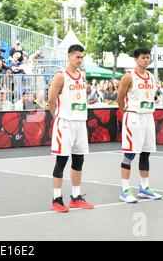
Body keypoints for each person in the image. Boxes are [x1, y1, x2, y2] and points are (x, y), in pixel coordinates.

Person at [48, 44, 94, 213]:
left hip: (80, 122)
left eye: (82, 57)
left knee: (78, 160)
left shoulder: (82, 74)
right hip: (65, 123)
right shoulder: (60, 76)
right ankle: (56, 199)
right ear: (69, 56)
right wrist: (58, 117)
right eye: (77, 57)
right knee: (61, 161)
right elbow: (51, 100)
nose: (80, 60)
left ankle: (75, 197)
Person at [117, 47, 162, 203]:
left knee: (146, 153)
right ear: (136, 59)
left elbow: (155, 95)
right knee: (130, 154)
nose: (146, 60)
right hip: (134, 117)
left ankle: (144, 188)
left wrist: (157, 96)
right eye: (143, 57)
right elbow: (120, 98)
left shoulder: (150, 76)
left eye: (148, 57)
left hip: (148, 116)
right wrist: (127, 114)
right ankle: (124, 190)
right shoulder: (128, 76)